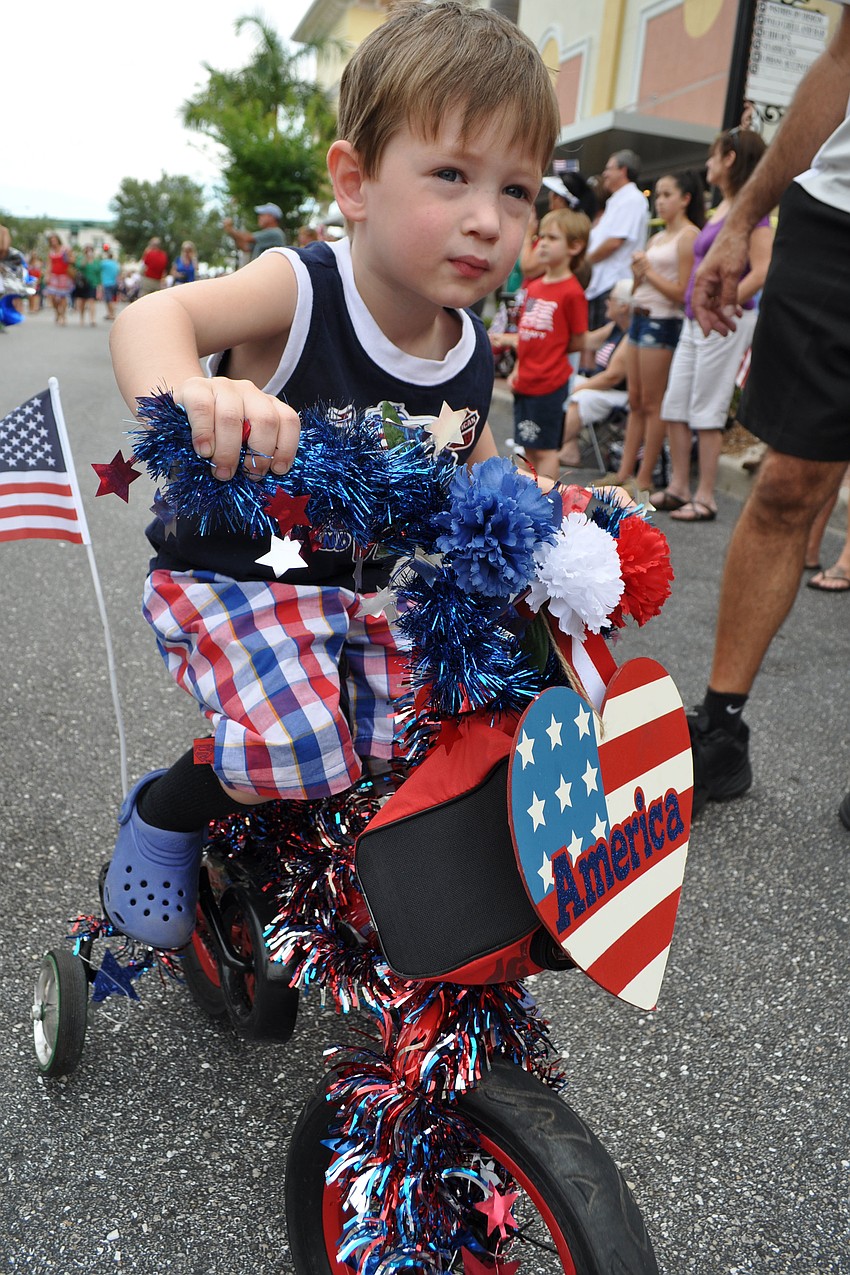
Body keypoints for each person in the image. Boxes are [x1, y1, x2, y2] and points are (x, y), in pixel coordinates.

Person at [103, 0, 561, 950]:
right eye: (451, 174)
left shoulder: (471, 346)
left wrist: (545, 525)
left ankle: (305, 859)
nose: (488, 219)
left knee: (411, 735)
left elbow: (469, 458)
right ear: (354, 181)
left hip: (351, 590)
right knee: (298, 744)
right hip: (227, 579)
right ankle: (169, 809)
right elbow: (151, 318)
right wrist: (197, 392)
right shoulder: (302, 288)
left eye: (518, 191)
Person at [684, 6, 850, 823]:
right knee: (787, 482)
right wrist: (740, 219)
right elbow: (841, 61)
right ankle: (720, 732)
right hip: (838, 223)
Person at [652, 130, 772, 522]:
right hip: (695, 318)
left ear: (731, 159)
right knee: (675, 404)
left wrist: (725, 301)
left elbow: (764, 268)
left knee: (707, 406)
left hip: (726, 319)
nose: (708, 164)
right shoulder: (726, 206)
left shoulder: (751, 210)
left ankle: (705, 496)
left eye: (713, 156)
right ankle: (679, 487)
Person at [605, 170, 705, 494]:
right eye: (658, 195)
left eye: (666, 195)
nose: (660, 202)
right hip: (639, 316)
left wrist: (646, 271)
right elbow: (641, 286)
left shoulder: (689, 236)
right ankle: (623, 473)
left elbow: (682, 293)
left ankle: (644, 477)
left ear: (685, 199)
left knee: (652, 402)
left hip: (662, 321)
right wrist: (637, 276)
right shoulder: (658, 238)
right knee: (635, 400)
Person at [492, 207, 589, 482]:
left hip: (550, 383)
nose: (542, 242)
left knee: (545, 449)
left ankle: (547, 505)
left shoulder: (572, 292)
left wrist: (552, 350)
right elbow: (525, 335)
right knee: (527, 447)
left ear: (575, 246)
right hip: (526, 381)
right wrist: (517, 369)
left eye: (552, 238)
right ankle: (526, 504)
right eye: (541, 236)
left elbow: (578, 339)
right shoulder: (533, 288)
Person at [558, 277, 633, 470]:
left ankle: (550, 447)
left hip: (619, 393)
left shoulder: (630, 334)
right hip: (603, 386)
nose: (607, 302)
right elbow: (587, 341)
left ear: (624, 307)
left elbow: (612, 377)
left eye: (612, 299)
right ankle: (568, 448)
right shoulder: (615, 327)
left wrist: (580, 387)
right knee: (560, 382)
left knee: (580, 396)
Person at [583, 150, 649, 331]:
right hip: (601, 284)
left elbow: (614, 242)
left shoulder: (633, 199)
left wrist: (585, 263)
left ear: (623, 171)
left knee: (606, 348)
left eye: (609, 168)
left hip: (614, 284)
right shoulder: (618, 200)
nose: (605, 174)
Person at [44, 232, 74, 325]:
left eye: (55, 240)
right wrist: (47, 275)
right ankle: (57, 312)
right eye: (51, 240)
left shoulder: (65, 249)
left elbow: (73, 260)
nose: (53, 242)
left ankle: (63, 316)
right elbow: (49, 265)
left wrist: (68, 258)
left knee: (62, 297)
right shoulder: (51, 252)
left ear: (58, 240)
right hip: (54, 276)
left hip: (64, 276)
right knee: (52, 297)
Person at [75, 244, 100, 326]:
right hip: (83, 284)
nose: (89, 252)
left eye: (90, 250)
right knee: (82, 301)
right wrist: (86, 258)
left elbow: (98, 273)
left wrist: (99, 285)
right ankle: (82, 318)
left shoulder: (96, 261)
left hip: (93, 283)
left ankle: (92, 319)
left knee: (92, 301)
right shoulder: (81, 259)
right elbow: (79, 266)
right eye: (87, 251)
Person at [100, 246, 120, 320]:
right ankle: (109, 313)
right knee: (111, 299)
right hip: (114, 283)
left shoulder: (104, 263)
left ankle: (112, 314)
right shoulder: (115, 263)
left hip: (107, 283)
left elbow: (99, 268)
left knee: (108, 299)